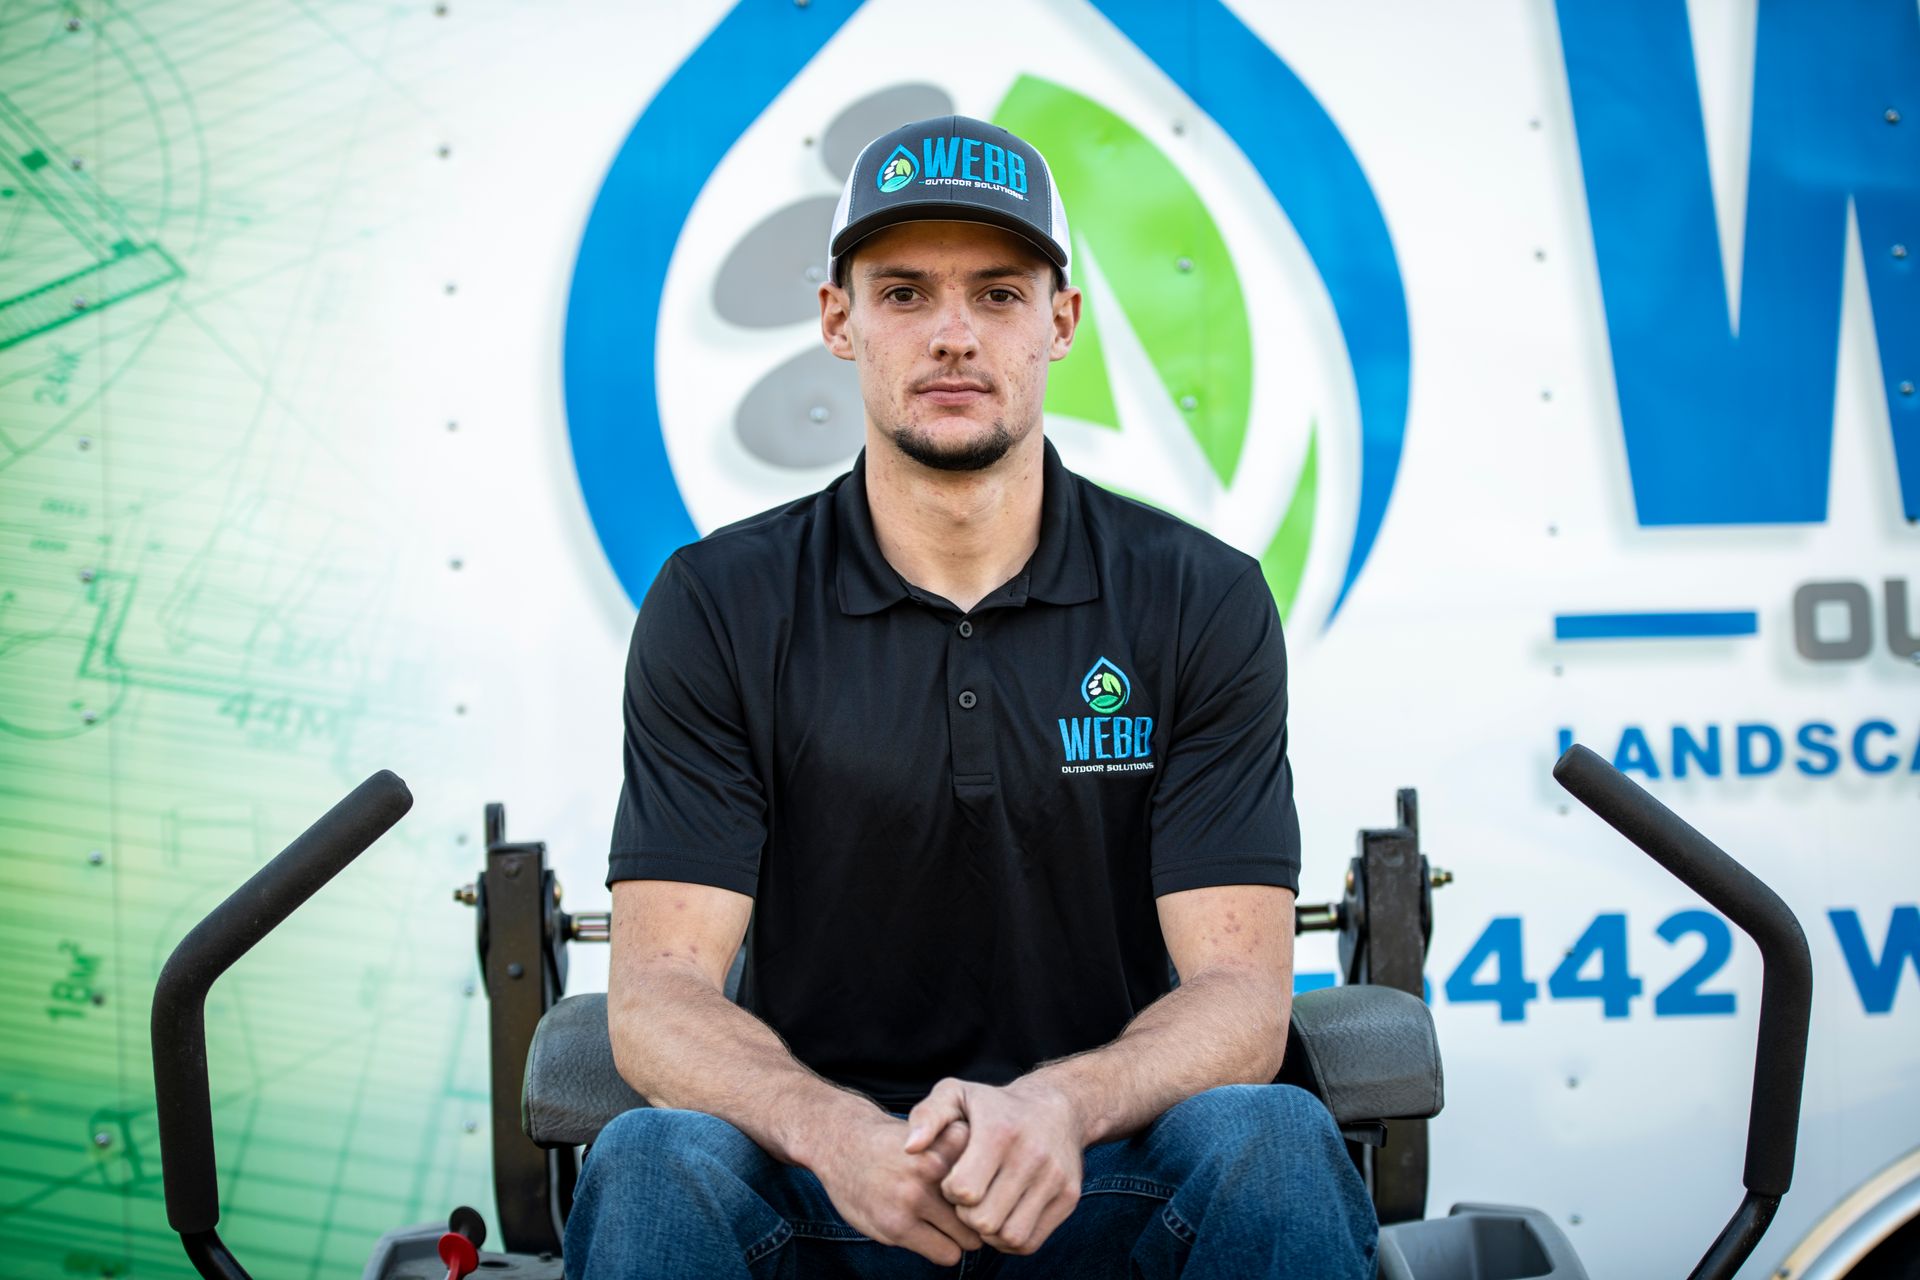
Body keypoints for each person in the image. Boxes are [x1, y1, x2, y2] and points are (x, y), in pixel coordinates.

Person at [565, 115, 1376, 1278]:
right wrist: (835, 1131)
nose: (953, 334)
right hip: (828, 1185)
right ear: (838, 320)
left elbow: (1241, 997)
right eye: (904, 294)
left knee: (1275, 1140)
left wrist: (1060, 1105)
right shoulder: (720, 603)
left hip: (1099, 1172)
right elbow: (656, 998)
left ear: (1062, 321)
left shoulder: (1198, 597)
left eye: (998, 295)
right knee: (651, 1161)